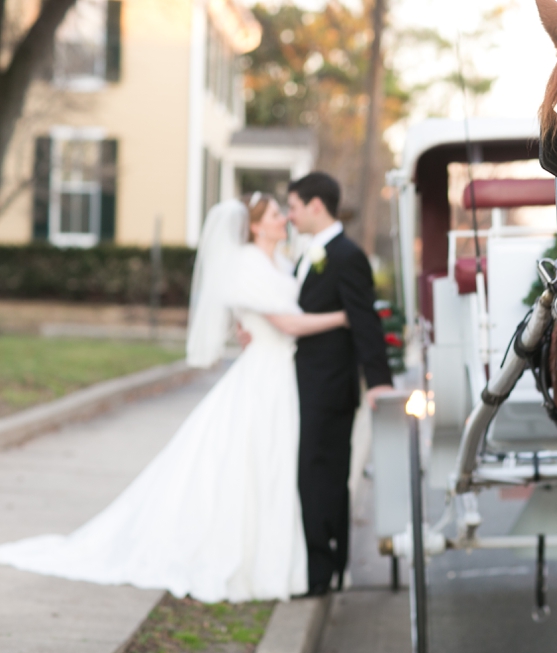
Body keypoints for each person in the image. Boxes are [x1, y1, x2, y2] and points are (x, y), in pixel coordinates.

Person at [0, 195, 346, 603]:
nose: (283, 220)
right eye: (275, 215)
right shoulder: (246, 264)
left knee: (274, 467)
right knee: (250, 464)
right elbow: (284, 321)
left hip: (283, 375)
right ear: (254, 226)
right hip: (262, 376)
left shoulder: (284, 262)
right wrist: (346, 317)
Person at [286, 172, 393, 594]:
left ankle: (323, 571)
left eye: (293, 206)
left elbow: (365, 320)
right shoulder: (308, 253)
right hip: (308, 384)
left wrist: (378, 381)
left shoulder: (347, 255)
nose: (290, 215)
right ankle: (324, 565)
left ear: (316, 206)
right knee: (315, 474)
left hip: (330, 388)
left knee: (322, 476)